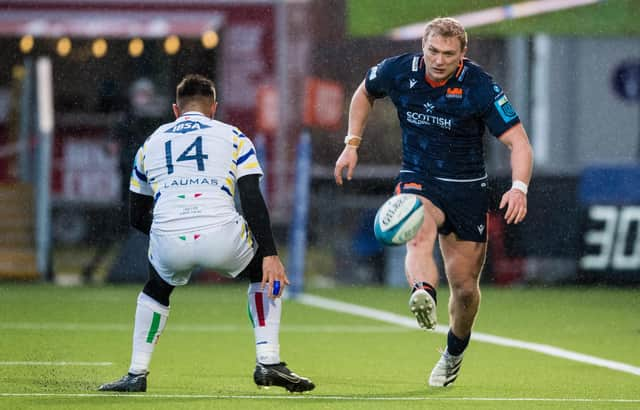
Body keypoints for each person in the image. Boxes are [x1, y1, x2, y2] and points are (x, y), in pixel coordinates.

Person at [334, 17, 533, 387]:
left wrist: (518, 187)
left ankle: (454, 351)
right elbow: (364, 92)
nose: (439, 60)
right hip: (418, 178)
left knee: (465, 289)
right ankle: (422, 292)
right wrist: (351, 144)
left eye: (448, 54)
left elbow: (518, 142)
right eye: (432, 51)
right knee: (417, 232)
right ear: (422, 47)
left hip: (467, 189)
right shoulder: (398, 71)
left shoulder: (479, 86)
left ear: (462, 54)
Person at [98, 74, 315, 393]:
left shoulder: (152, 141)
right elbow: (252, 199)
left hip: (169, 236)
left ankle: (136, 373)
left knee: (156, 286)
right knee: (262, 274)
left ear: (176, 109)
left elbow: (135, 215)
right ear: (214, 108)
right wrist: (270, 254)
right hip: (222, 235)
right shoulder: (234, 136)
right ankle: (268, 361)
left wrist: (169, 234)